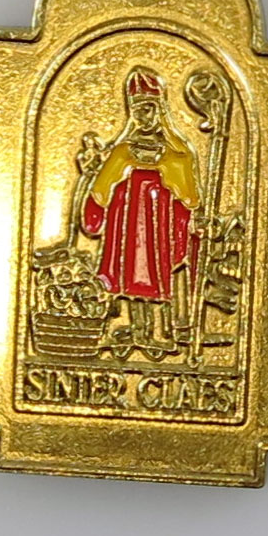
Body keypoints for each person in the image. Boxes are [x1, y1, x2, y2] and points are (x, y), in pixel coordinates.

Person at [78, 65, 200, 352]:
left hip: (158, 224)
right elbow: (103, 186)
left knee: (156, 275)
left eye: (147, 109)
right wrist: (97, 202)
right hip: (128, 224)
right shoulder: (123, 150)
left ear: (159, 110)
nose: (141, 117)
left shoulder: (176, 152)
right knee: (127, 276)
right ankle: (136, 328)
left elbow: (188, 194)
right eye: (137, 111)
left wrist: (188, 209)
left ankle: (162, 331)